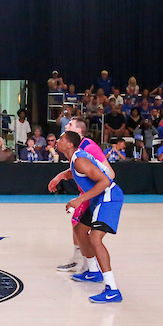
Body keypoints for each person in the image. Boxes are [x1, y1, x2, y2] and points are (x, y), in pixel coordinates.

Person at [59, 130, 124, 303]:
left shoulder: (80, 160)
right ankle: (93, 271)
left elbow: (105, 181)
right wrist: (60, 177)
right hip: (97, 198)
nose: (58, 140)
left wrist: (79, 200)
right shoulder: (76, 159)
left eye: (61, 138)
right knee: (80, 230)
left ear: (69, 144)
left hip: (108, 197)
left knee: (95, 239)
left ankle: (112, 289)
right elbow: (76, 172)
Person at [47, 118, 114, 273]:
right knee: (77, 226)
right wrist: (61, 176)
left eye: (70, 124)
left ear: (78, 131)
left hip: (96, 194)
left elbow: (109, 173)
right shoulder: (79, 147)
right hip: (88, 193)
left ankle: (85, 264)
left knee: (82, 228)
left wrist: (88, 193)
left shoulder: (89, 147)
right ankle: (84, 263)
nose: (66, 125)